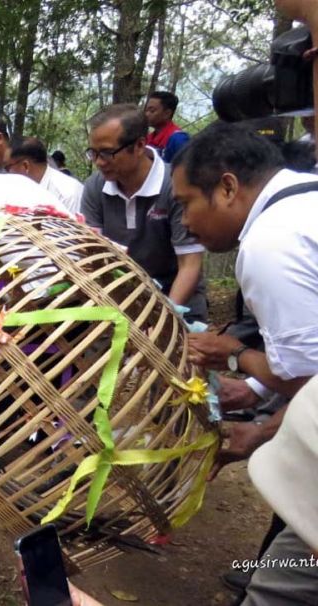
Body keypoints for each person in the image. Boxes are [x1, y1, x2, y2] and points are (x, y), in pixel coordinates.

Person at [169, 121, 318, 605]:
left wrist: (231, 353)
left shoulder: (270, 243)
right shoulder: (304, 199)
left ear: (228, 187)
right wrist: (257, 417)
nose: (186, 222)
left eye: (188, 202)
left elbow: (306, 379)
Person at [80, 103, 207, 322]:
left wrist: (167, 318)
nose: (99, 162)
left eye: (108, 153)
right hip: (122, 301)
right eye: (94, 153)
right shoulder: (95, 188)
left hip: (177, 299)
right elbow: (94, 258)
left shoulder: (174, 185)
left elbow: (190, 263)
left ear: (140, 145)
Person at [7, 137, 85, 215]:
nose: (5, 173)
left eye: (7, 167)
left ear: (25, 166)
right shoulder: (19, 192)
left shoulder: (67, 194)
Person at [144, 91, 190, 163]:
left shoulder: (178, 139)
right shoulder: (148, 138)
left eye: (152, 111)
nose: (147, 114)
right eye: (146, 110)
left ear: (167, 113)